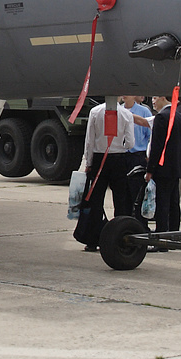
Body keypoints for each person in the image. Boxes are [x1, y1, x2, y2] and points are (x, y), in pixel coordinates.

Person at [73, 97, 150, 250]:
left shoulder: (95, 112)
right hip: (119, 158)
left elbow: (89, 140)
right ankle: (120, 235)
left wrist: (88, 162)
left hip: (99, 157)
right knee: (121, 200)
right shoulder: (126, 114)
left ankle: (92, 240)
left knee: (96, 200)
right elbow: (130, 143)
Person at [147, 95, 181, 233]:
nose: (153, 102)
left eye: (155, 98)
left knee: (162, 201)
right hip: (177, 166)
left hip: (163, 167)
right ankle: (174, 231)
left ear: (163, 98)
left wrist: (150, 169)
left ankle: (162, 233)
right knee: (174, 201)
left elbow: (157, 146)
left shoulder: (161, 117)